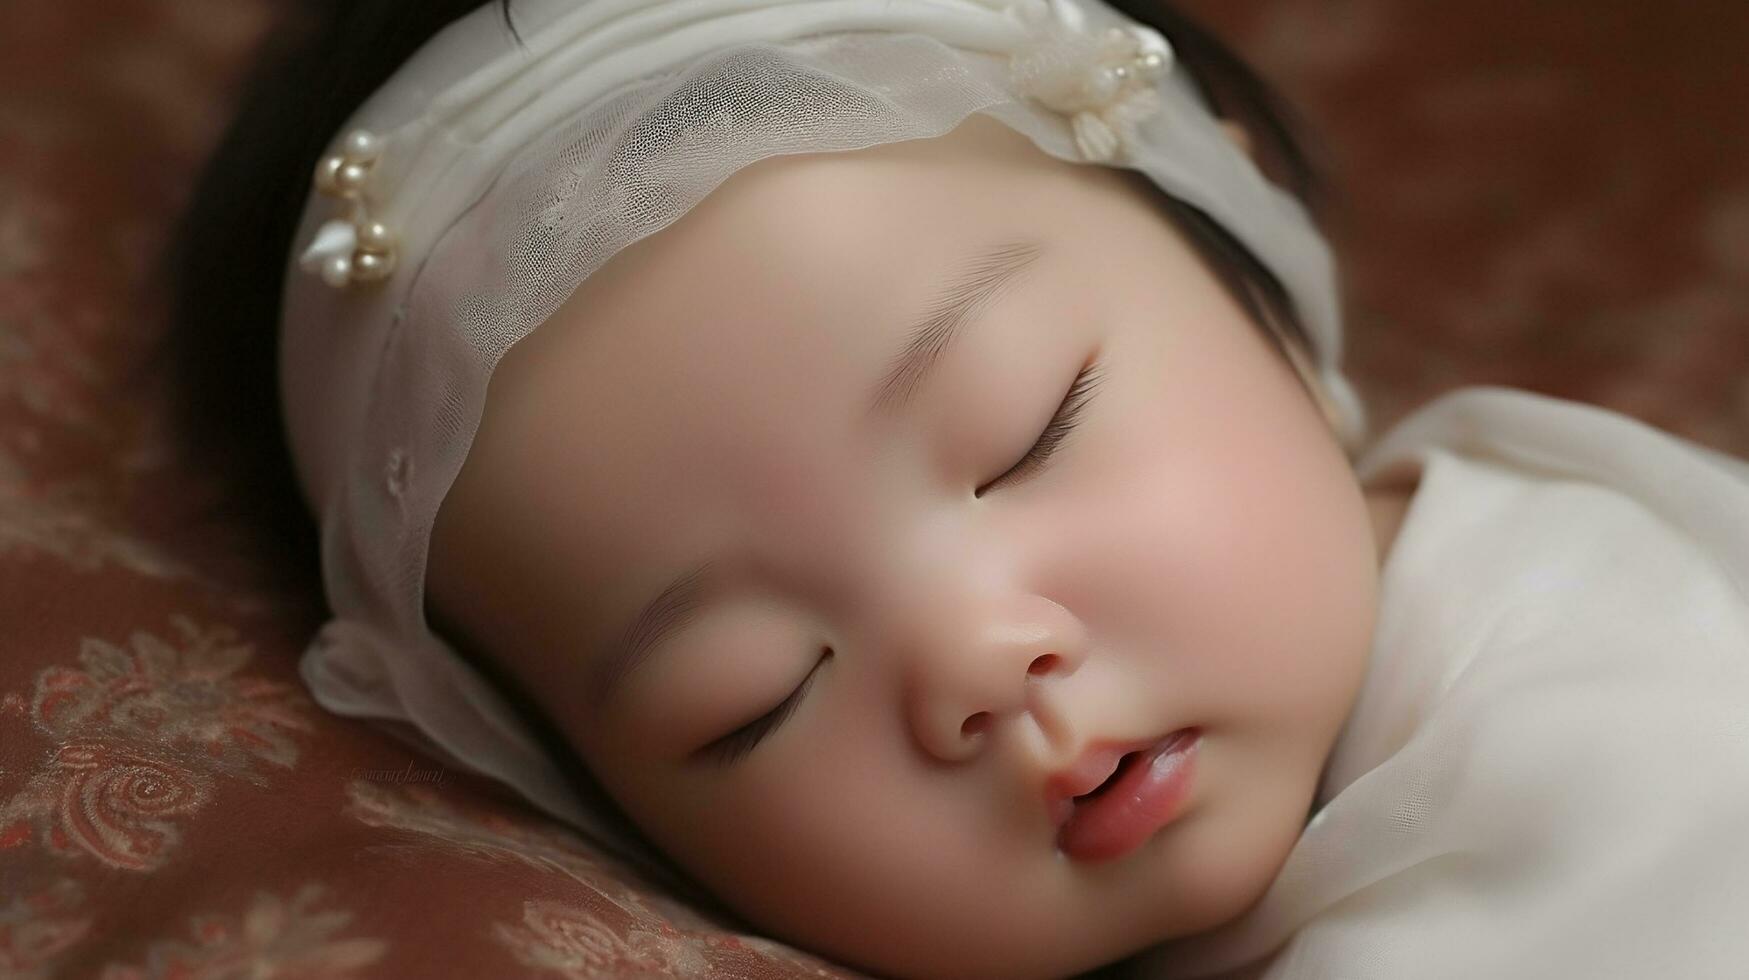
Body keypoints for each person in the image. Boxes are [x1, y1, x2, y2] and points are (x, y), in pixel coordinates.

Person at [162, 1, 1749, 978]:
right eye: (750, 700)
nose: (979, 659)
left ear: (1247, 232)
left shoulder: (1618, 704)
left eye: (1025, 430)